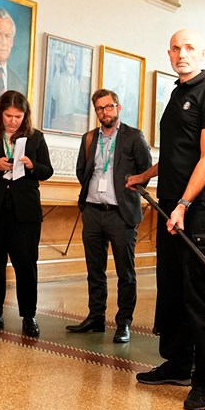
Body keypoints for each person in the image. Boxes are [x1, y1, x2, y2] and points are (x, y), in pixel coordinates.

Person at [125, 29, 205, 410]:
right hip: (172, 204)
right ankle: (177, 364)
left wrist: (185, 204)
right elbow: (176, 154)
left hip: (199, 209)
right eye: (174, 48)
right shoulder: (176, 93)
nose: (180, 54)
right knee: (171, 289)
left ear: (202, 52)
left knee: (199, 294)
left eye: (188, 48)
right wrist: (146, 174)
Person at [0, 90, 53, 338]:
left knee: (26, 264)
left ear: (25, 116)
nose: (13, 121)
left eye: (18, 116)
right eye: (8, 115)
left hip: (24, 211)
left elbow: (47, 171)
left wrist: (32, 165)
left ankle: (29, 316)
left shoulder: (36, 138)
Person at [67, 88, 152, 344]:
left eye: (109, 107)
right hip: (93, 211)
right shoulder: (89, 138)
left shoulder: (134, 137)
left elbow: (146, 171)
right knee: (95, 270)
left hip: (121, 214)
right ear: (96, 112)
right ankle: (96, 317)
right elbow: (82, 171)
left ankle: (124, 323)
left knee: (125, 273)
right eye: (100, 109)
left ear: (118, 107)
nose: (105, 112)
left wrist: (129, 187)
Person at [49, 49, 87, 134]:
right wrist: (57, 70)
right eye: (69, 60)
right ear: (65, 62)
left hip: (73, 123)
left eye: (73, 61)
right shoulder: (59, 77)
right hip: (60, 122)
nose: (71, 63)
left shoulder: (77, 82)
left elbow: (78, 104)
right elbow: (54, 95)